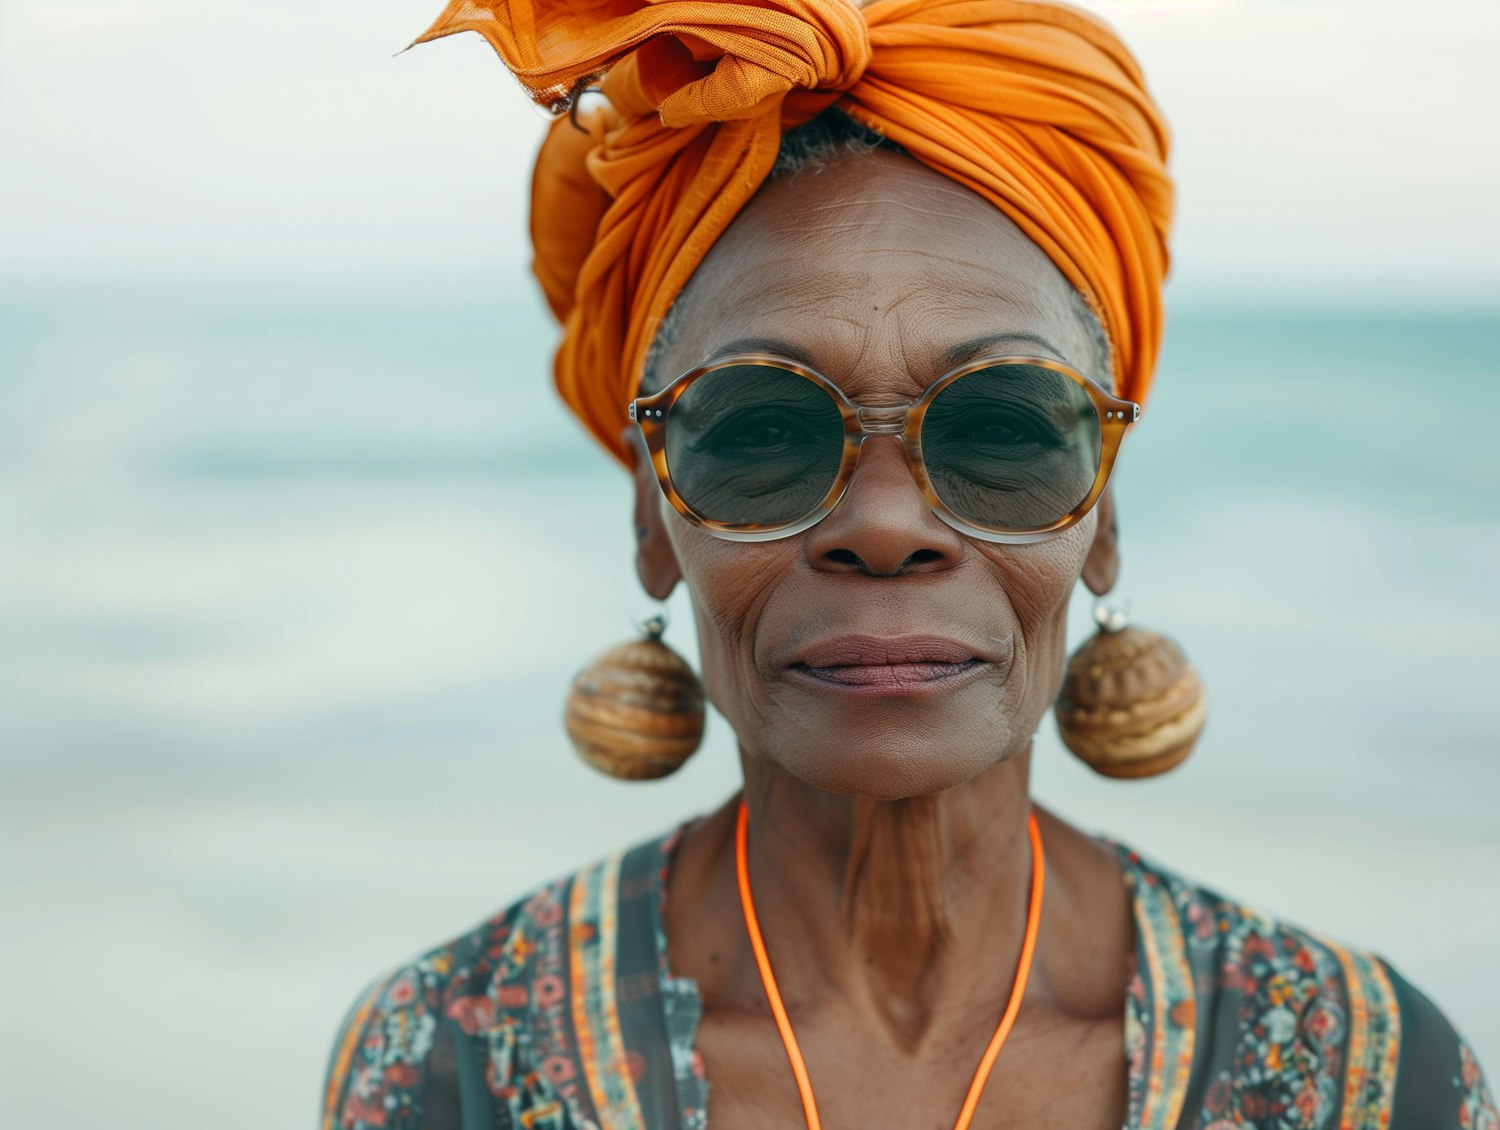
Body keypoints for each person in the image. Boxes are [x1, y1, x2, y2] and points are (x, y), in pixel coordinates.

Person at [322, 1, 1496, 1127]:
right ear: (650, 509)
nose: (885, 526)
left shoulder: (1371, 1073)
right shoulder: (444, 1059)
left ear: (1105, 512)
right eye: (763, 430)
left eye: (999, 426)